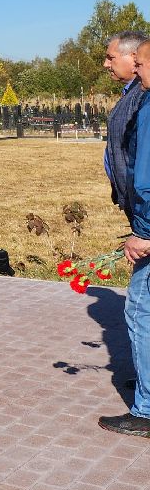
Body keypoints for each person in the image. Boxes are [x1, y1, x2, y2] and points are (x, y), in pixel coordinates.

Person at [102, 38, 150, 438]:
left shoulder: (146, 102)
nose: (107, 63)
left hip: (148, 225)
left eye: (111, 56)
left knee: (140, 309)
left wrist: (144, 231)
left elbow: (145, 171)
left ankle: (147, 409)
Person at [104, 32, 147, 217]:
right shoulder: (131, 92)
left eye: (111, 58)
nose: (106, 64)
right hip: (134, 199)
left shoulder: (142, 94)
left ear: (133, 57)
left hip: (142, 203)